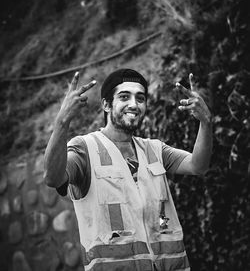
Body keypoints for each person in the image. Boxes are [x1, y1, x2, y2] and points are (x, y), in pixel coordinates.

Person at [44, 68, 212, 271]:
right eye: (124, 97)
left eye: (140, 98)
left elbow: (198, 165)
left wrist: (205, 123)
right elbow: (53, 178)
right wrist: (62, 122)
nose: (134, 104)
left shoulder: (155, 149)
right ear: (106, 104)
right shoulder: (85, 149)